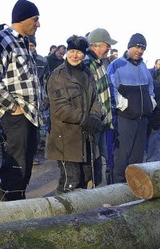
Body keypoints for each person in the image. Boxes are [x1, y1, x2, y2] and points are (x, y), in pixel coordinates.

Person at [0, 0, 42, 201]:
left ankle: (17, 204)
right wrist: (12, 106)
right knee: (15, 166)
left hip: (30, 116)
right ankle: (9, 212)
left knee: (25, 165)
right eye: (35, 19)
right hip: (15, 116)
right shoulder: (1, 40)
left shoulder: (23, 43)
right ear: (22, 18)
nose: (38, 24)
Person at [46, 35, 101, 192]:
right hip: (65, 138)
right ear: (67, 51)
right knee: (70, 181)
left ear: (84, 54)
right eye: (72, 51)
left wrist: (95, 116)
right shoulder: (57, 76)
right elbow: (60, 108)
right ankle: (62, 214)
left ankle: (80, 216)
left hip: (86, 137)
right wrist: (86, 119)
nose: (75, 55)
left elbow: (95, 99)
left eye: (79, 52)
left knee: (87, 179)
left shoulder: (88, 74)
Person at [107, 33, 155, 183]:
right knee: (121, 158)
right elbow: (111, 88)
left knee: (137, 158)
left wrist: (151, 102)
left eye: (143, 48)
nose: (140, 51)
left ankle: (132, 189)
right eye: (137, 47)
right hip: (125, 118)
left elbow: (150, 87)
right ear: (129, 47)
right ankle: (116, 190)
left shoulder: (143, 66)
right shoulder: (116, 65)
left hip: (142, 119)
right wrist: (123, 105)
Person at [83, 28, 117, 185]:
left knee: (100, 160)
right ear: (95, 46)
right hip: (94, 123)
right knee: (91, 162)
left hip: (103, 123)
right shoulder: (87, 64)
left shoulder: (100, 64)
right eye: (106, 45)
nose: (109, 48)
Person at [27, 35, 49, 166]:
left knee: (35, 131)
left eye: (32, 45)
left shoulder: (42, 61)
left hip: (38, 101)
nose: (30, 48)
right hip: (22, 101)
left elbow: (47, 80)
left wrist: (47, 98)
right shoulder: (18, 58)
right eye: (27, 45)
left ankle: (33, 156)